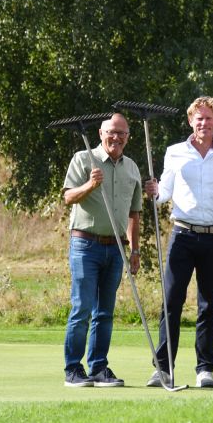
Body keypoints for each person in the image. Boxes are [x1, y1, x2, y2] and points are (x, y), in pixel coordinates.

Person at [145, 96, 213, 388]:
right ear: (190, 121)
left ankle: (204, 368)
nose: (203, 123)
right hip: (182, 235)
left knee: (207, 305)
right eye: (198, 118)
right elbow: (165, 193)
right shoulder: (175, 152)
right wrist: (153, 191)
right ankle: (164, 368)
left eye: (209, 118)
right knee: (171, 302)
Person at [62, 113, 142, 387]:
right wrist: (90, 184)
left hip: (116, 247)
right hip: (85, 244)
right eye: (111, 132)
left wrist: (135, 251)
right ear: (100, 133)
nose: (116, 137)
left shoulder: (132, 167)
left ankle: (98, 367)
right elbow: (68, 197)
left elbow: (135, 213)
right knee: (82, 308)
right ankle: (73, 369)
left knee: (105, 313)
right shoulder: (83, 159)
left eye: (122, 133)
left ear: (128, 137)